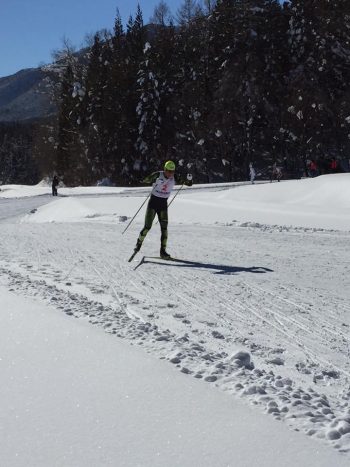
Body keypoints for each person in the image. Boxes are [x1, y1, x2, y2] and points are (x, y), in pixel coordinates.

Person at [133, 160, 193, 259]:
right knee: (147, 227)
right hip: (153, 203)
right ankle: (138, 244)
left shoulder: (174, 177)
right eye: (169, 171)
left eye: (172, 171)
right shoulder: (158, 175)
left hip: (163, 205)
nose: (170, 174)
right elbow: (145, 179)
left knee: (164, 229)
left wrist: (189, 179)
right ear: (164, 169)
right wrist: (154, 181)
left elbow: (188, 184)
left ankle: (163, 252)